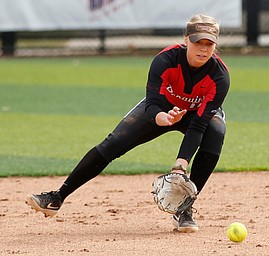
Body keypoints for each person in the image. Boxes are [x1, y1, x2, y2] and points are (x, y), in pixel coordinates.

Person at [26, 13, 230, 233]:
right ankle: (57, 197)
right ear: (186, 39)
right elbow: (152, 104)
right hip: (161, 108)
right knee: (114, 143)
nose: (203, 48)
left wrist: (180, 167)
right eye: (198, 41)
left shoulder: (219, 76)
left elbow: (198, 125)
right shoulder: (166, 60)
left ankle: (185, 208)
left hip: (197, 114)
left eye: (209, 43)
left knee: (215, 132)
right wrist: (165, 118)